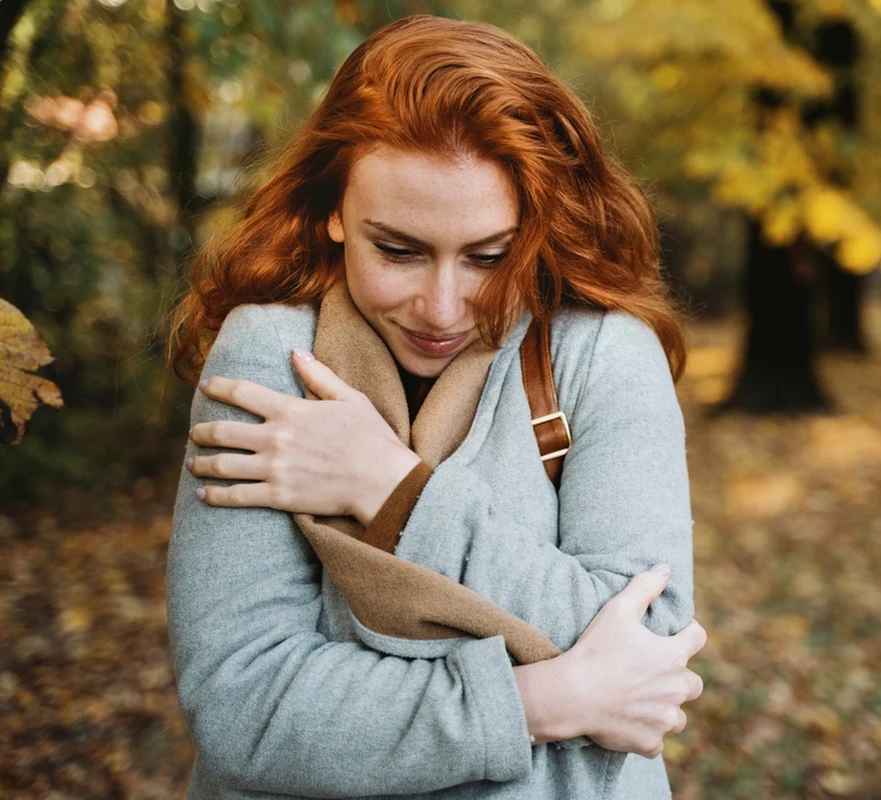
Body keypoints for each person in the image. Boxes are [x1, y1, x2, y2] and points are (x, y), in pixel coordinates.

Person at [166, 14, 703, 800]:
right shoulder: (269, 359)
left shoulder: (602, 355)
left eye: (489, 256)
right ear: (335, 210)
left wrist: (390, 492)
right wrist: (541, 701)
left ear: (537, 225)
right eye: (399, 250)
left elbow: (650, 646)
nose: (442, 307)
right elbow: (246, 708)